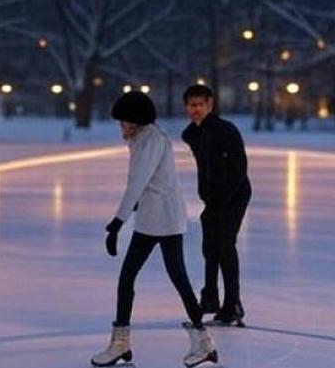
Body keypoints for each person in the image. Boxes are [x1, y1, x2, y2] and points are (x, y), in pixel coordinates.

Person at [92, 91, 217, 368]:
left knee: (159, 279)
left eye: (124, 121)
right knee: (154, 279)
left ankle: (200, 342)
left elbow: (137, 182)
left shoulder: (150, 141)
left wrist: (117, 222)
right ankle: (124, 343)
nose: (121, 126)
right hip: (156, 218)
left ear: (135, 121)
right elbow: (145, 183)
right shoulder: (142, 139)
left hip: (162, 220)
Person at [181, 84, 251, 327]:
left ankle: (233, 304)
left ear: (210, 105)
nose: (196, 109)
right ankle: (210, 297)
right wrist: (208, 196)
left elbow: (239, 168)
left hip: (234, 195)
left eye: (201, 104)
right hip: (212, 198)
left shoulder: (225, 130)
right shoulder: (193, 134)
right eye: (192, 105)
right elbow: (206, 168)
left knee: (224, 245)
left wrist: (222, 198)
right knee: (210, 247)